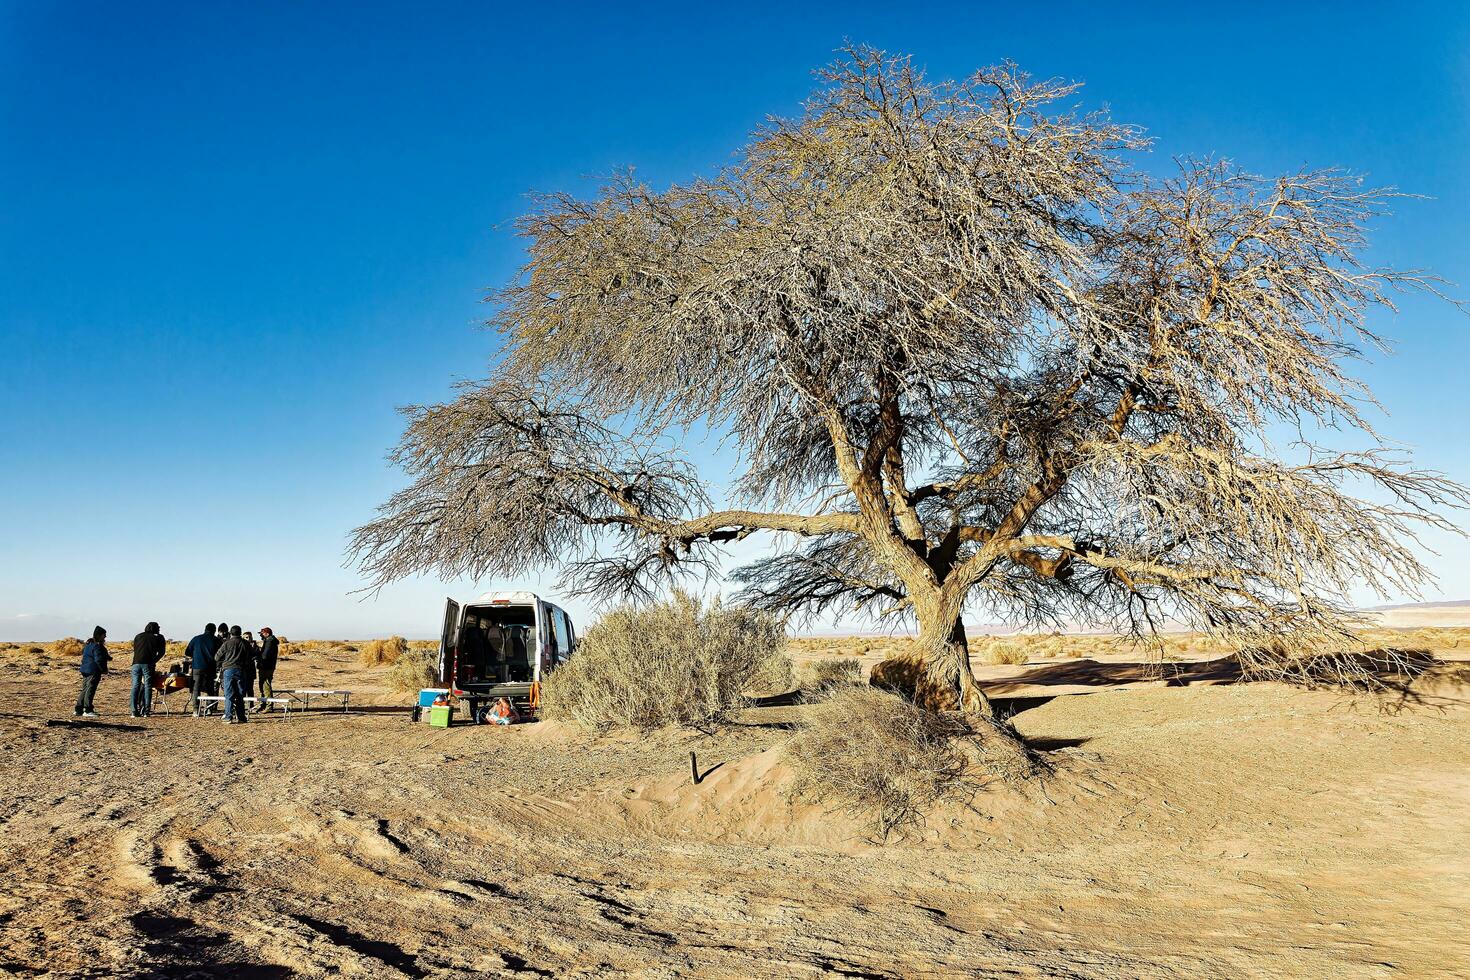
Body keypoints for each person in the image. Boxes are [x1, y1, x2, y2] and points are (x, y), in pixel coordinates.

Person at [215, 625, 252, 724]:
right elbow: (250, 656)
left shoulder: (227, 643)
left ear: (230, 633)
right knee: (240, 694)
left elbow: (217, 657)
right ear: (240, 633)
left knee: (229, 694)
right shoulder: (245, 644)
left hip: (228, 670)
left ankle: (228, 716)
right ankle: (241, 717)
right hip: (241, 670)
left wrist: (225, 661)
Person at [129, 622, 166, 718]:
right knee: (147, 686)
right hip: (148, 664)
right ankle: (146, 710)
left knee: (135, 686)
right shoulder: (158, 637)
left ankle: (133, 710)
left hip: (135, 663)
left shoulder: (138, 636)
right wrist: (154, 660)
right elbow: (162, 652)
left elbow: (136, 649)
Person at [73, 626, 110, 717]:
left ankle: (79, 709)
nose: (105, 637)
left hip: (85, 670)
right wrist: (104, 670)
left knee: (85, 689)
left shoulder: (88, 646)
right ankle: (88, 709)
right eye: (104, 635)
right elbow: (99, 660)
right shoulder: (97, 646)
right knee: (90, 689)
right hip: (93, 670)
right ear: (100, 635)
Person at [186, 623, 220, 716]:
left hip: (197, 667)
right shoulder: (216, 640)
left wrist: (196, 655)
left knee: (196, 688)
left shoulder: (196, 639)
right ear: (214, 630)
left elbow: (187, 651)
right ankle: (209, 709)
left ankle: (196, 710)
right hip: (210, 667)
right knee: (210, 688)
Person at [255, 627, 280, 711]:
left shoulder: (269, 641)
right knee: (263, 686)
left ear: (267, 634)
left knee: (266, 686)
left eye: (262, 633)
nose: (261, 635)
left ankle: (268, 705)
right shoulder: (270, 641)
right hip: (267, 666)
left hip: (266, 667)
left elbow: (265, 655)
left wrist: (258, 655)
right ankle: (264, 703)